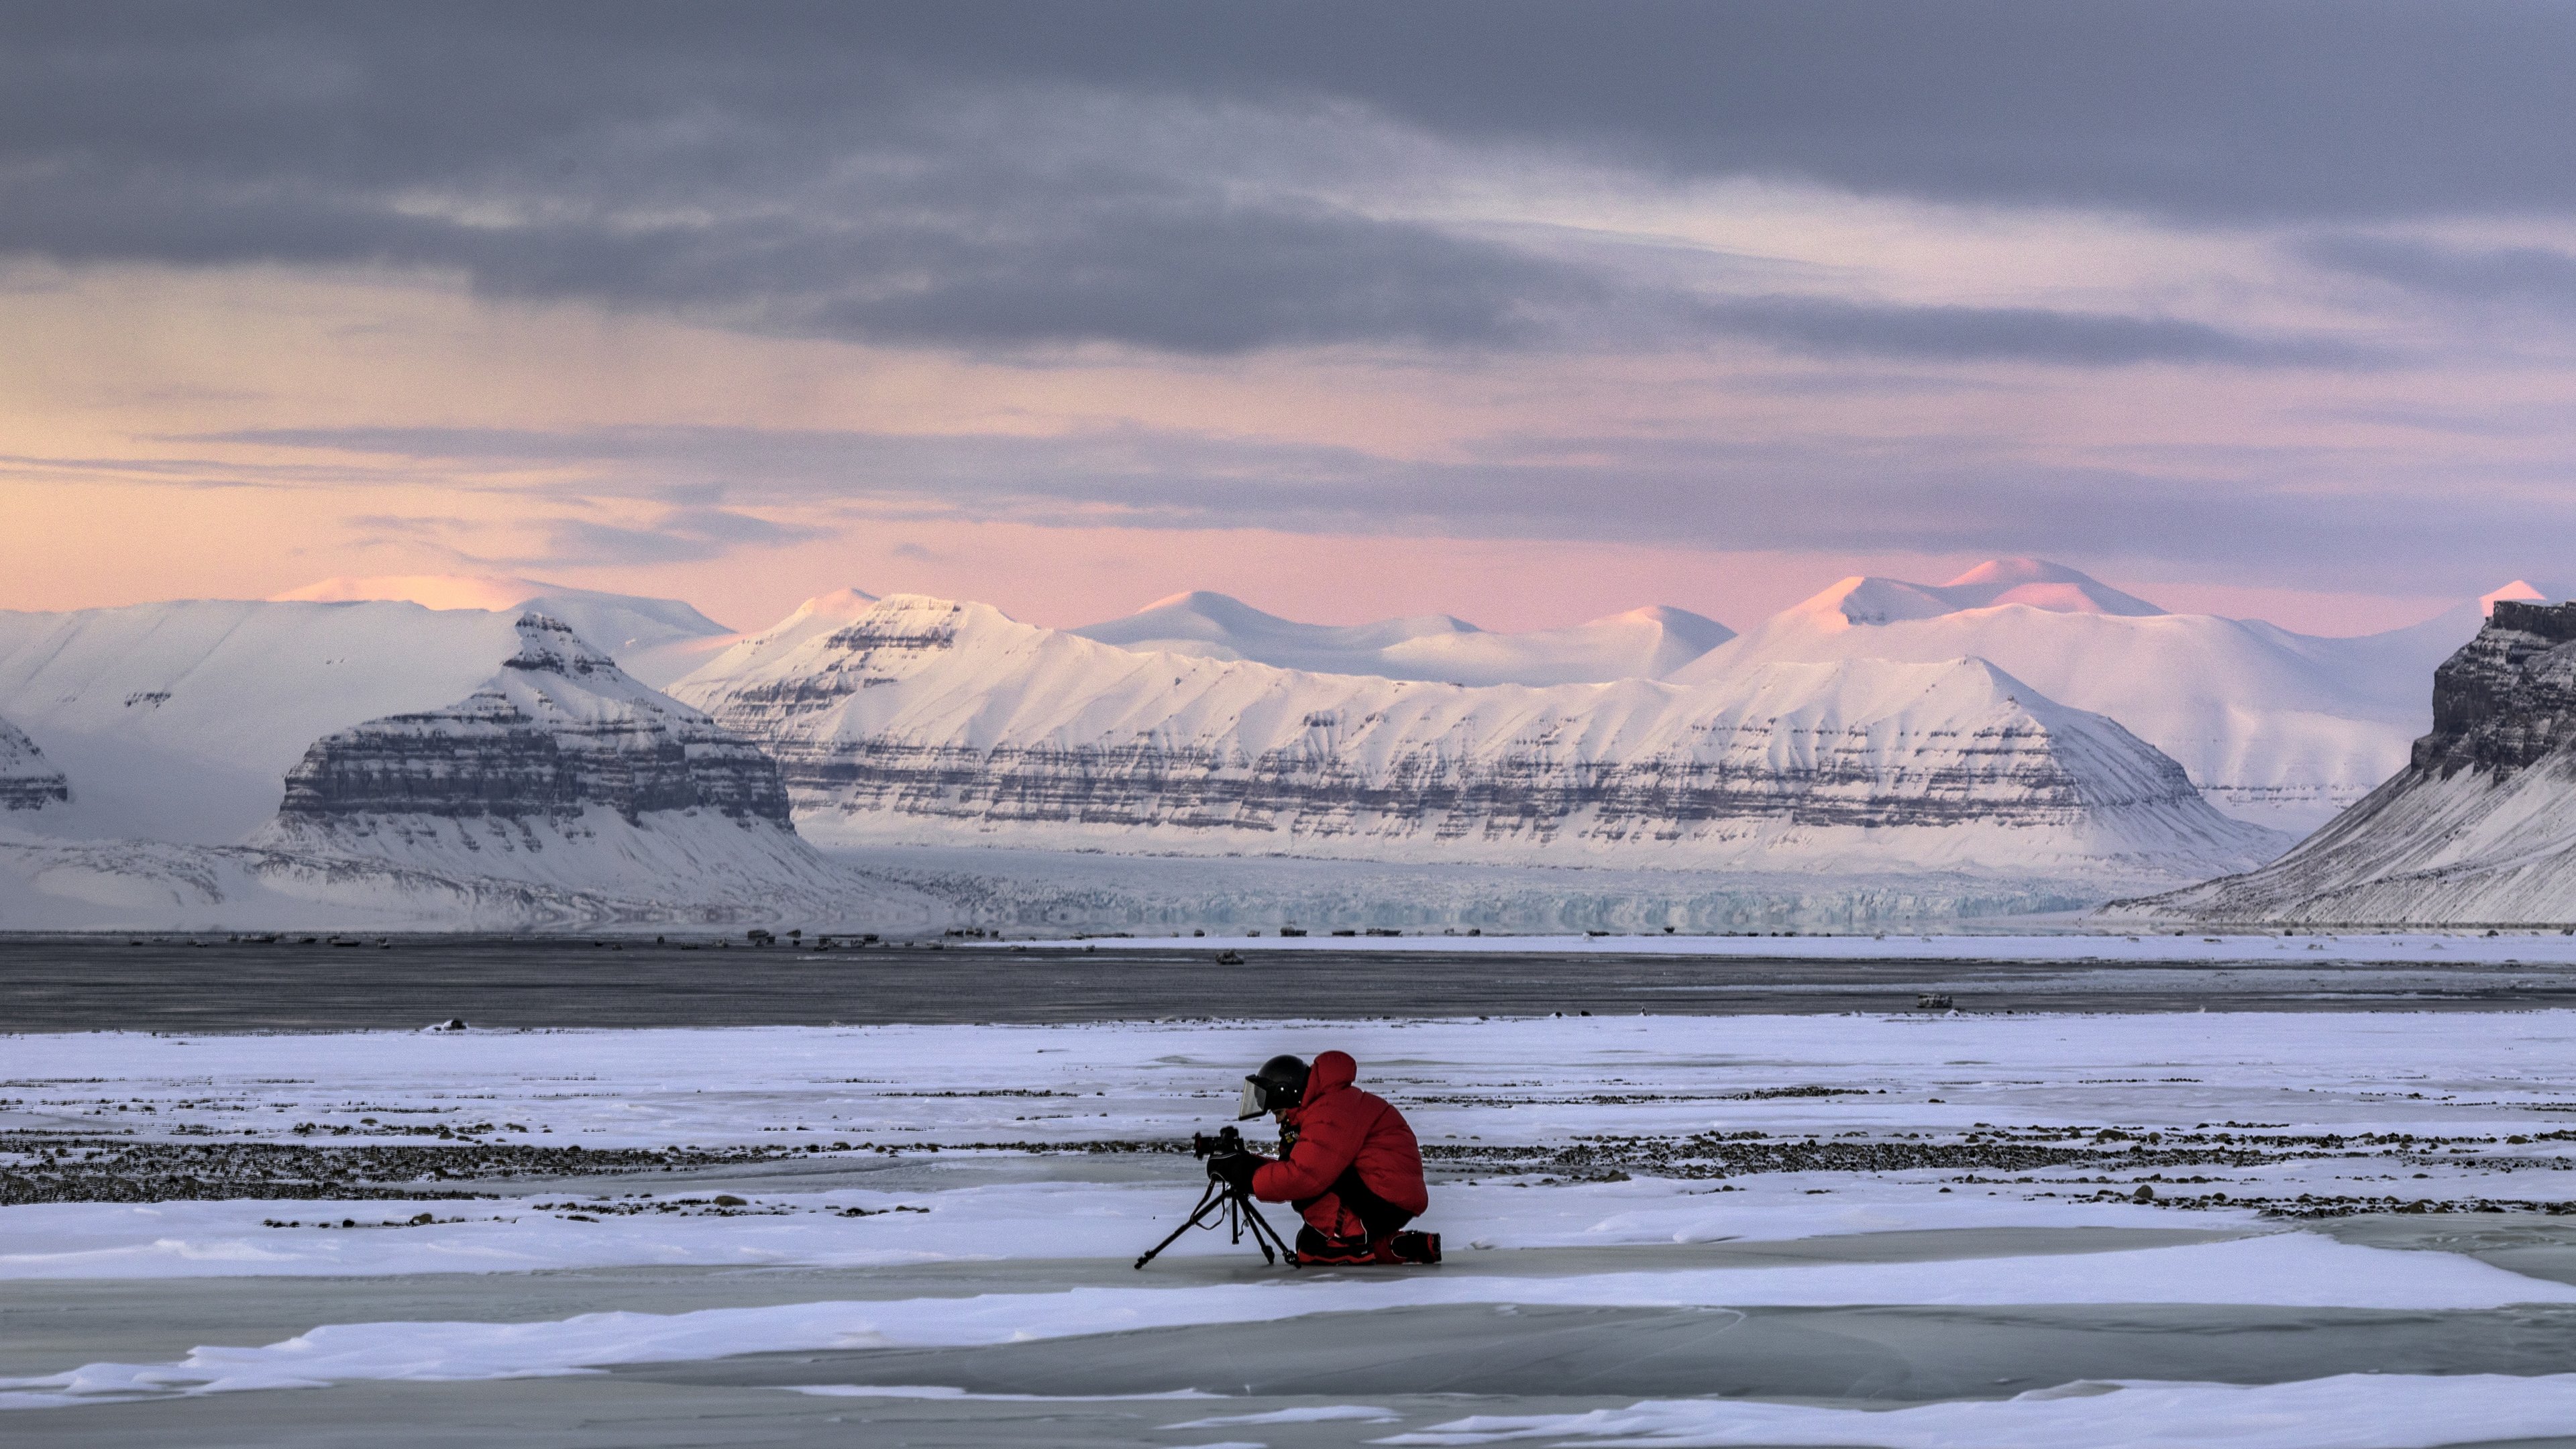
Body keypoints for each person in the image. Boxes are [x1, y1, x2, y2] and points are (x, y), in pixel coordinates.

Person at [1210, 1051, 1440, 1265]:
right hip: (1387, 1195)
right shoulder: (1329, 1104)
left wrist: (1241, 1172)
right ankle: (1395, 1245)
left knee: (1311, 1250)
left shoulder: (1330, 1111)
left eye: (1278, 1112)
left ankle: (1350, 1244)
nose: (1278, 1121)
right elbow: (1300, 1166)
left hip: (1385, 1199)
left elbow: (1302, 1177)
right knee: (1308, 1241)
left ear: (1288, 1094)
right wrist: (1249, 1162)